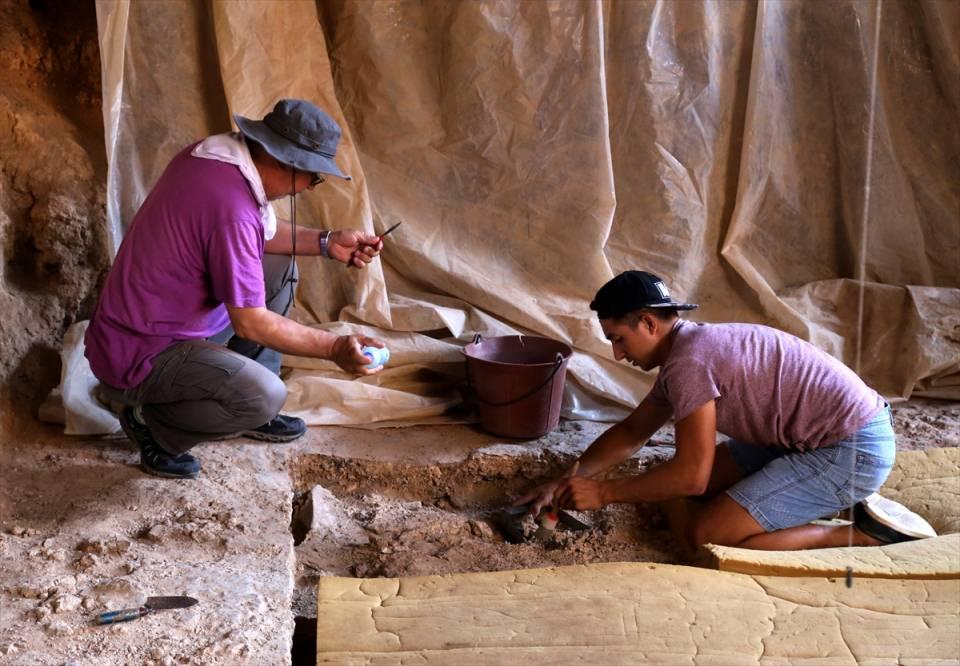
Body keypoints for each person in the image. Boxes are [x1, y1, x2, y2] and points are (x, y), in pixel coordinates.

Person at [518, 270, 937, 551]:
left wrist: (605, 493)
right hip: (807, 438)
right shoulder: (685, 352)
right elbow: (632, 433)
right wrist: (569, 478)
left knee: (710, 534)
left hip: (851, 448)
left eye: (619, 339)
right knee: (685, 489)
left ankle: (862, 535)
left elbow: (691, 476)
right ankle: (822, 498)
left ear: (648, 323)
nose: (617, 353)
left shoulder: (690, 364)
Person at [86, 99, 387, 480]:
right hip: (140, 355)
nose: (310, 189)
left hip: (148, 324)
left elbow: (261, 236)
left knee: (279, 266)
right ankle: (152, 422)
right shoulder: (231, 206)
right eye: (313, 178)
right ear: (284, 160)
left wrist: (328, 242)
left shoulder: (218, 157)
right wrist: (334, 347)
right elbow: (251, 324)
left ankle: (245, 402)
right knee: (265, 394)